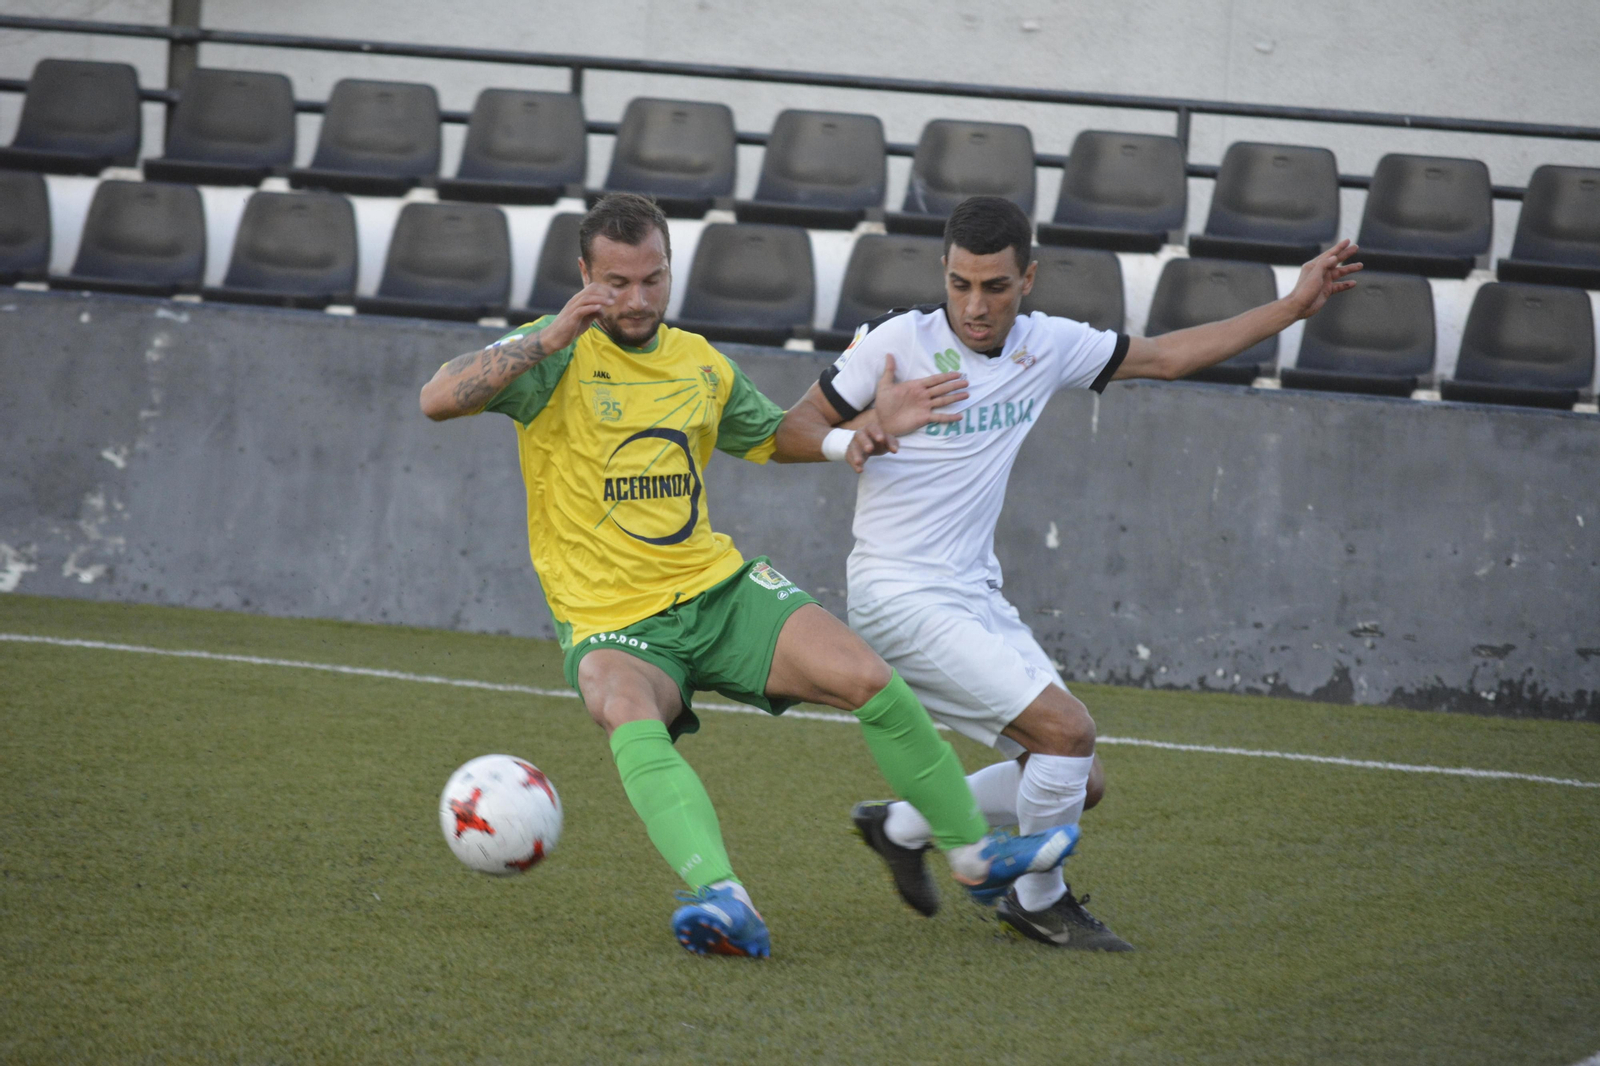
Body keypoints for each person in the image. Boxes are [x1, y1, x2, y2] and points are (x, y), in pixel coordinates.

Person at [417, 193, 1080, 959]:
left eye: (653, 279)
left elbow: (775, 438)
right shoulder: (552, 357)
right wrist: (553, 332)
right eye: (616, 283)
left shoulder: (700, 363)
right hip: (614, 623)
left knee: (867, 677)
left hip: (721, 592)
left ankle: (968, 853)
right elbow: (438, 399)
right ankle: (722, 899)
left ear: (671, 270)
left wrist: (863, 432)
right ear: (584, 277)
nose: (637, 299)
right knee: (622, 704)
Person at [777, 195, 1361, 950]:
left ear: (1029, 279)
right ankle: (1036, 899)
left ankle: (900, 826)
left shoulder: (1047, 345)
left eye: (994, 286)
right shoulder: (896, 344)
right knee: (1066, 732)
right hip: (897, 592)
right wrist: (868, 425)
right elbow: (788, 432)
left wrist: (1291, 306)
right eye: (960, 285)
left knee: (1079, 778)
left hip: (972, 591)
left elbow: (1167, 357)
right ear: (943, 275)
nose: (975, 305)